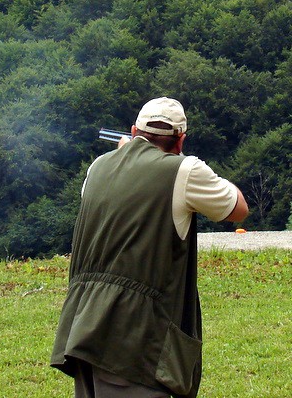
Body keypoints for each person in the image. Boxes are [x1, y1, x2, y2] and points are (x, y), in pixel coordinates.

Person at [50, 97, 249, 398]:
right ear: (181, 140)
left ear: (134, 131)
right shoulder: (184, 170)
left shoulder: (97, 167)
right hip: (132, 340)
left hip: (82, 327)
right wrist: (193, 167)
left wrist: (124, 154)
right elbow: (239, 208)